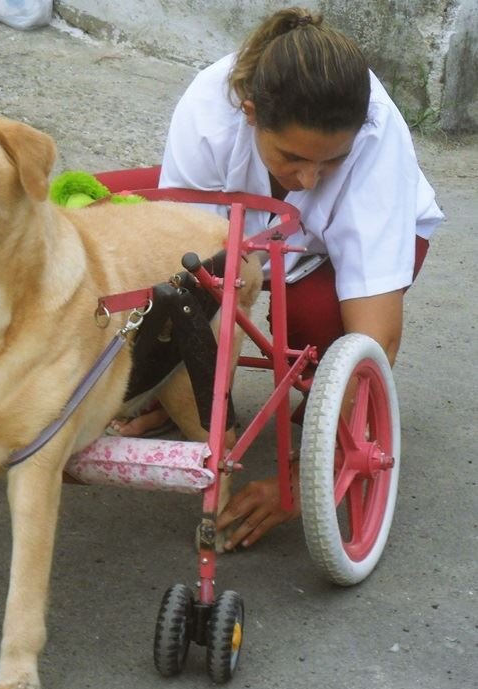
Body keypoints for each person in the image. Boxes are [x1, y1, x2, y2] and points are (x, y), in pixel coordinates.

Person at [113, 6, 445, 550]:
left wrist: (305, 474)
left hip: (331, 253)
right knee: (187, 285)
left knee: (316, 331)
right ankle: (181, 400)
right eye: (292, 158)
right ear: (250, 114)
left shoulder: (376, 132)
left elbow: (375, 338)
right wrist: (181, 385)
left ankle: (314, 407)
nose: (310, 178)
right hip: (242, 242)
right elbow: (181, 263)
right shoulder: (206, 109)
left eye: (330, 163)